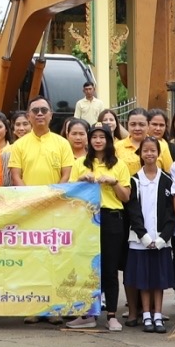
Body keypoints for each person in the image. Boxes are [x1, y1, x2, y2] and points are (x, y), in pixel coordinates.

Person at [73, 124, 131, 331]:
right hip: (87, 218)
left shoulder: (119, 165)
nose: (97, 140)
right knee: (87, 267)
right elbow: (71, 196)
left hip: (111, 217)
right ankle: (87, 313)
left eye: (102, 137)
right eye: (94, 137)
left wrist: (114, 182)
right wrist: (81, 181)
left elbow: (126, 197)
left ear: (108, 140)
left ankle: (112, 315)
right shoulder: (80, 163)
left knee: (110, 268)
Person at [123, 136, 175, 332]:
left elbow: (172, 213)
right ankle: (145, 314)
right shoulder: (134, 180)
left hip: (161, 240)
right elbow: (133, 212)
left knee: (158, 279)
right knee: (144, 279)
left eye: (153, 150)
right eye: (145, 150)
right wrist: (144, 237)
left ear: (158, 153)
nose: (149, 154)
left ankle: (157, 314)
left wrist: (163, 238)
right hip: (140, 240)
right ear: (140, 153)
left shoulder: (168, 180)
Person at [5, 98, 72, 186]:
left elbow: (66, 176)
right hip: (29, 198)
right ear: (28, 116)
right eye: (35, 110)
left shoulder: (63, 143)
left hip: (56, 197)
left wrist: (54, 195)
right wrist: (30, 198)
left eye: (44, 110)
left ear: (51, 115)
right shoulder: (19, 145)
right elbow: (16, 177)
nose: (40, 113)